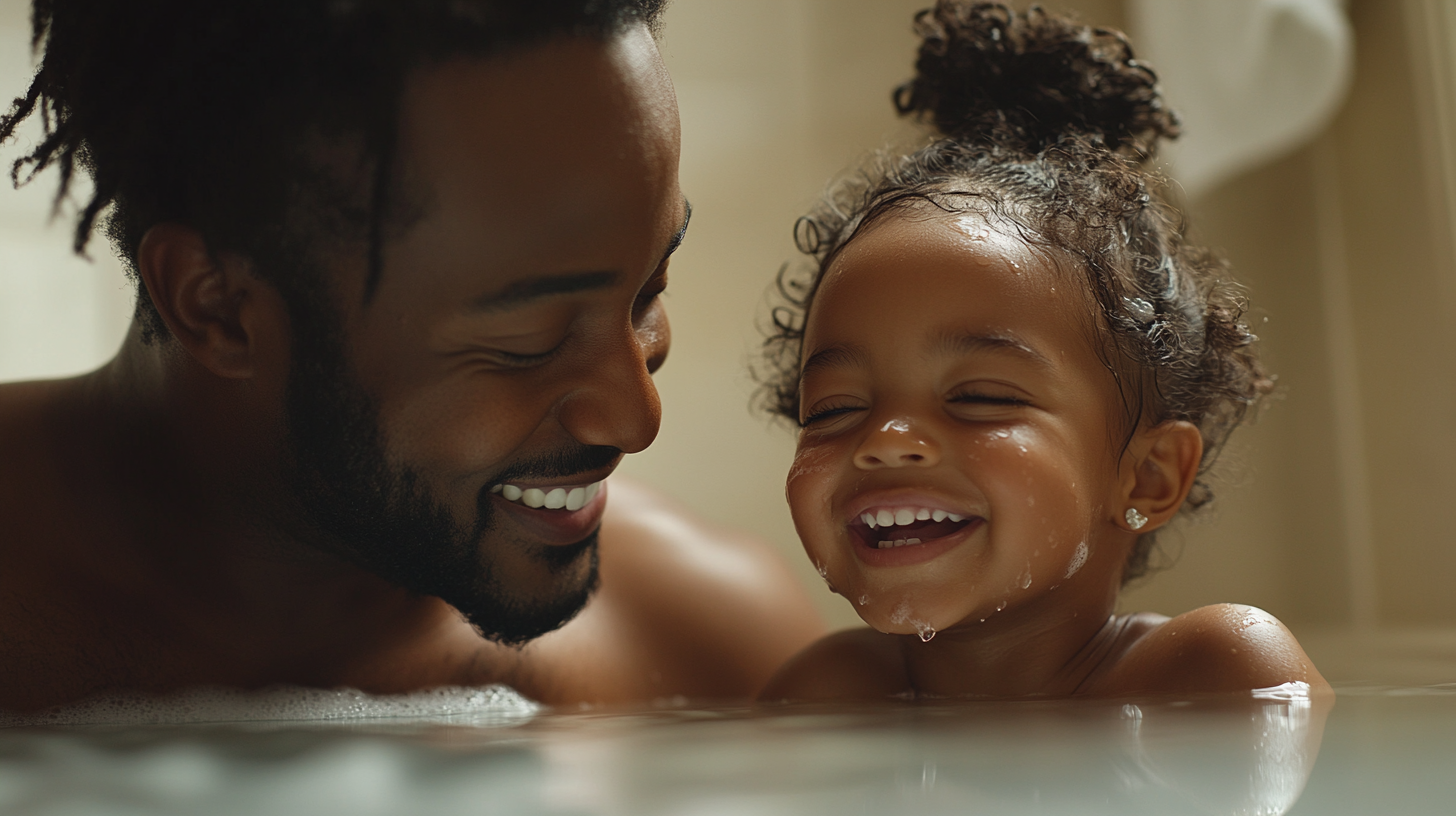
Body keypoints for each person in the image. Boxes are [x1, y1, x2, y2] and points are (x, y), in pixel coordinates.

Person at [0, 0, 824, 713]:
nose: (636, 417)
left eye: (649, 290)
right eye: (525, 341)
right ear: (217, 306)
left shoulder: (715, 652)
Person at [756, 1, 1326, 702]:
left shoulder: (1214, 677)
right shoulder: (828, 696)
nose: (886, 439)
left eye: (980, 397)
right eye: (835, 409)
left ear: (1146, 476)